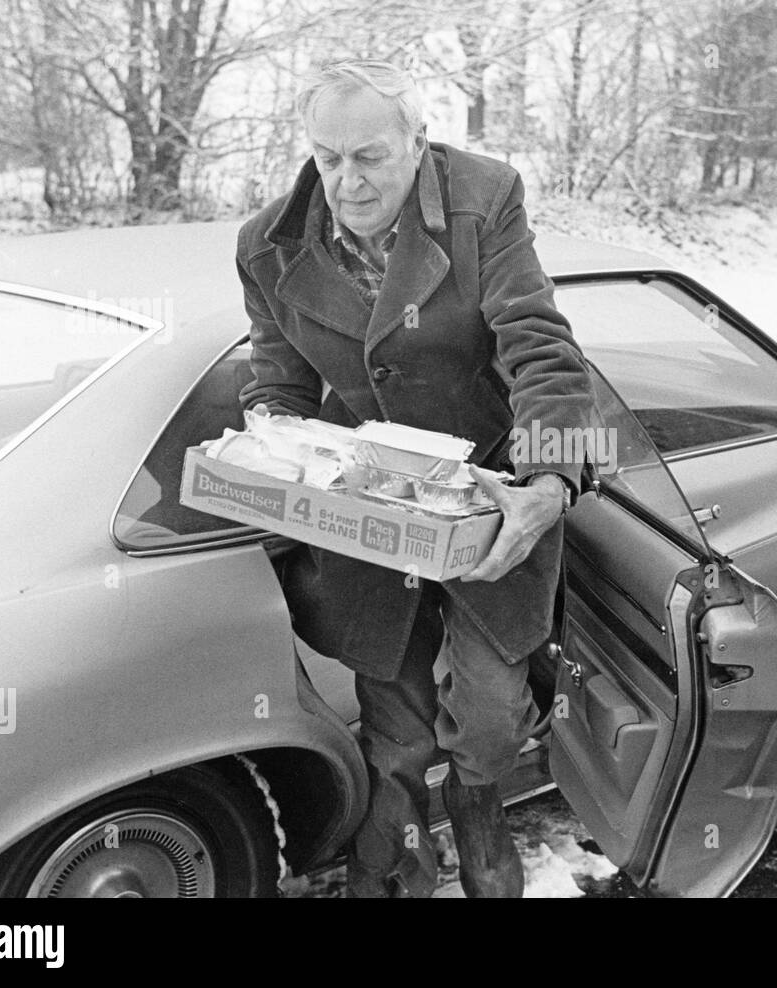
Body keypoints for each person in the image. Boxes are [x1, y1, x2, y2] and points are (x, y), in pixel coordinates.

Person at [235, 58, 597, 897]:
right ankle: (395, 853)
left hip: (490, 495)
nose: (346, 182)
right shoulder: (267, 244)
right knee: (393, 715)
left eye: (369, 157)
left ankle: (477, 802)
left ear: (417, 143)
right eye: (327, 158)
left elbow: (539, 344)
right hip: (371, 499)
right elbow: (280, 384)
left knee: (494, 713)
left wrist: (547, 483)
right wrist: (268, 448)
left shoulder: (483, 198)